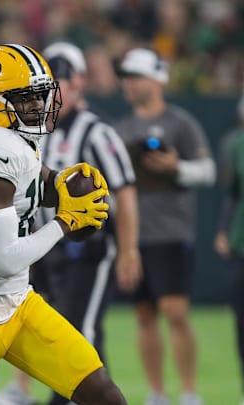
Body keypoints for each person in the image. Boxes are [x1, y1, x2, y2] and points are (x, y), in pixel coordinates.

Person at [0, 43, 125, 405]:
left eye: (41, 95)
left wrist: (63, 185)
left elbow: (37, 183)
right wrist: (65, 222)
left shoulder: (18, 139)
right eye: (25, 98)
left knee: (102, 392)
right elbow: (5, 258)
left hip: (17, 303)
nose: (38, 105)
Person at [0, 42, 141, 405]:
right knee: (42, 327)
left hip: (88, 247)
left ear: (79, 83)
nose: (54, 93)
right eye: (47, 87)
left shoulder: (96, 131)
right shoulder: (34, 131)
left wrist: (129, 250)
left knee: (80, 331)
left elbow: (124, 191)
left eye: (61, 82)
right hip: (44, 246)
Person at [115, 47, 215, 405]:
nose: (129, 83)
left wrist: (177, 168)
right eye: (127, 77)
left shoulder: (181, 123)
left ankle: (189, 392)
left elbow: (208, 172)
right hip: (132, 234)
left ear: (158, 80)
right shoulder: (121, 129)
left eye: (136, 76)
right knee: (143, 314)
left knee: (175, 312)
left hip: (171, 232)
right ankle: (157, 393)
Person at [213, 94, 244, 405]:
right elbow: (231, 193)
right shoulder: (236, 144)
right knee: (242, 321)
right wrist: (223, 229)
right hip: (242, 243)